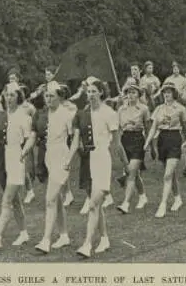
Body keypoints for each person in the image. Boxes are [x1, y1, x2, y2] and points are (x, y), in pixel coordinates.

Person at [71, 80, 126, 258]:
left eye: (94, 91)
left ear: (101, 93)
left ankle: (87, 244)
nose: (91, 94)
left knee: (94, 203)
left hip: (103, 158)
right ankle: (104, 238)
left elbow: (117, 143)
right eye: (88, 91)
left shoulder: (109, 113)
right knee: (96, 204)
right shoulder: (86, 114)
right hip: (89, 160)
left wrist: (124, 166)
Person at [0, 82, 36, 249]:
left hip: (17, 158)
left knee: (6, 199)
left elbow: (30, 138)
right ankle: (23, 233)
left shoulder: (24, 117)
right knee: (14, 201)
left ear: (18, 97)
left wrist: (24, 152)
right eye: (7, 94)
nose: (9, 98)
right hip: (2, 158)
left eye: (13, 95)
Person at [34, 81, 74, 254]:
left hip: (62, 157)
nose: (48, 99)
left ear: (60, 97)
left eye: (52, 96)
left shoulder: (66, 114)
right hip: (49, 157)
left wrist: (70, 159)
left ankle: (46, 240)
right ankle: (64, 235)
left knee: (50, 199)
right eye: (47, 96)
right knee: (56, 199)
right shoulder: (45, 115)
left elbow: (75, 139)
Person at [144, 82, 186, 218]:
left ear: (174, 93)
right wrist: (147, 143)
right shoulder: (158, 109)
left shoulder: (180, 109)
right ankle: (177, 198)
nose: (167, 94)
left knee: (167, 175)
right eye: (165, 92)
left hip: (175, 138)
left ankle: (162, 204)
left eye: (169, 92)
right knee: (170, 172)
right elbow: (153, 128)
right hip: (162, 140)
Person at [115, 83, 149, 214]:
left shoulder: (143, 109)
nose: (131, 95)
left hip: (138, 139)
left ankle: (126, 203)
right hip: (125, 140)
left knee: (132, 172)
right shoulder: (121, 110)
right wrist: (118, 144)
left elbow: (147, 127)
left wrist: (149, 145)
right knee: (132, 173)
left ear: (139, 95)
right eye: (129, 92)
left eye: (134, 92)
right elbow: (118, 128)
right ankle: (142, 195)